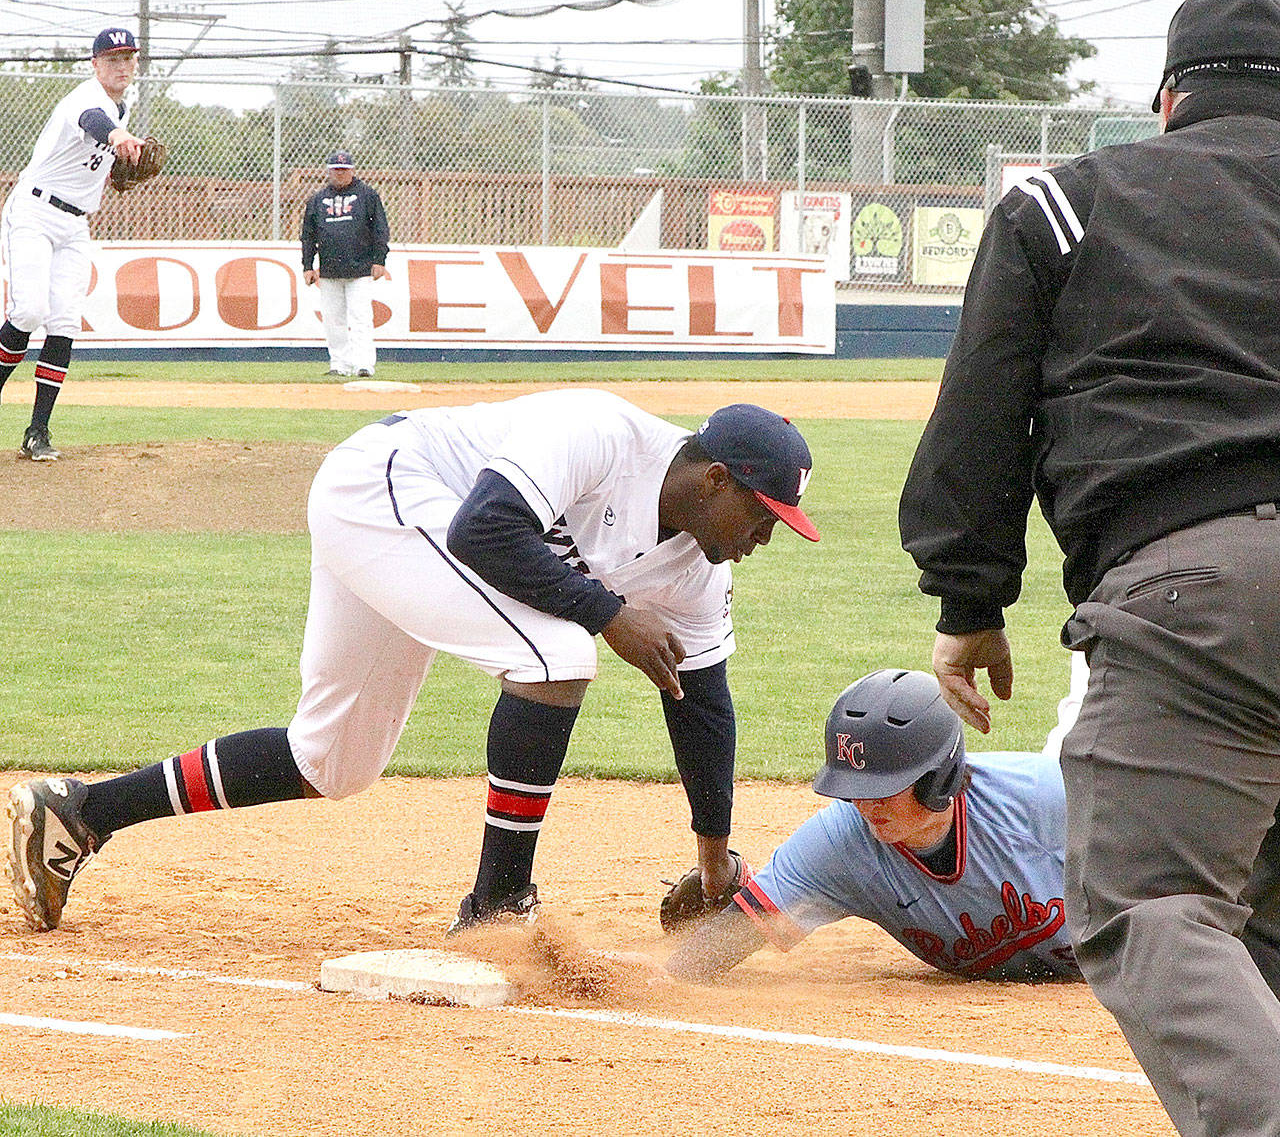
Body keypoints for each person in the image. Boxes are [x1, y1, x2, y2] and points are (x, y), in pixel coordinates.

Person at [6, 390, 819, 937]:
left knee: (331, 760)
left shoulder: (699, 572)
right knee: (558, 649)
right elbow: (485, 529)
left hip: (417, 526)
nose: (767, 536)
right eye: (765, 511)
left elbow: (701, 704)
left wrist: (716, 870)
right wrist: (608, 614)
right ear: (716, 479)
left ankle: (79, 813)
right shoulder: (603, 434)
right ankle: (498, 903)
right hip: (386, 484)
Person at [898, 0, 1280, 1131]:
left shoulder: (1067, 202)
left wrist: (967, 599)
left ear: (1164, 100)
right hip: (1207, 584)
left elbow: (980, 416)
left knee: (1151, 905)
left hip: (1195, 584)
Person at [666, 662, 1086, 984]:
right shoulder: (841, 844)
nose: (864, 805)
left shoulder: (1045, 797)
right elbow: (713, 950)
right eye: (852, 787)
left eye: (883, 787)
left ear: (939, 777)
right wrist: (630, 975)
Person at [0, 27, 145, 461]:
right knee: (28, 310)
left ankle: (37, 432)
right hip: (34, 212)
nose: (122, 65)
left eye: (129, 58)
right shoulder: (86, 98)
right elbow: (93, 123)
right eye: (113, 58)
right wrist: (118, 138)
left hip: (75, 224)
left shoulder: (124, 103)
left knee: (64, 321)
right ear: (95, 64)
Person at [300, 150, 390, 379]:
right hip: (329, 269)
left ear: (352, 170)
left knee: (361, 317)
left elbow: (380, 228)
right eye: (336, 170)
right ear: (329, 171)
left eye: (344, 170)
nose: (340, 174)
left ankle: (364, 364)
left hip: (360, 268)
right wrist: (308, 265)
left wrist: (380, 260)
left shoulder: (367, 195)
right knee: (333, 320)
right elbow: (308, 235)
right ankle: (339, 363)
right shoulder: (317, 199)